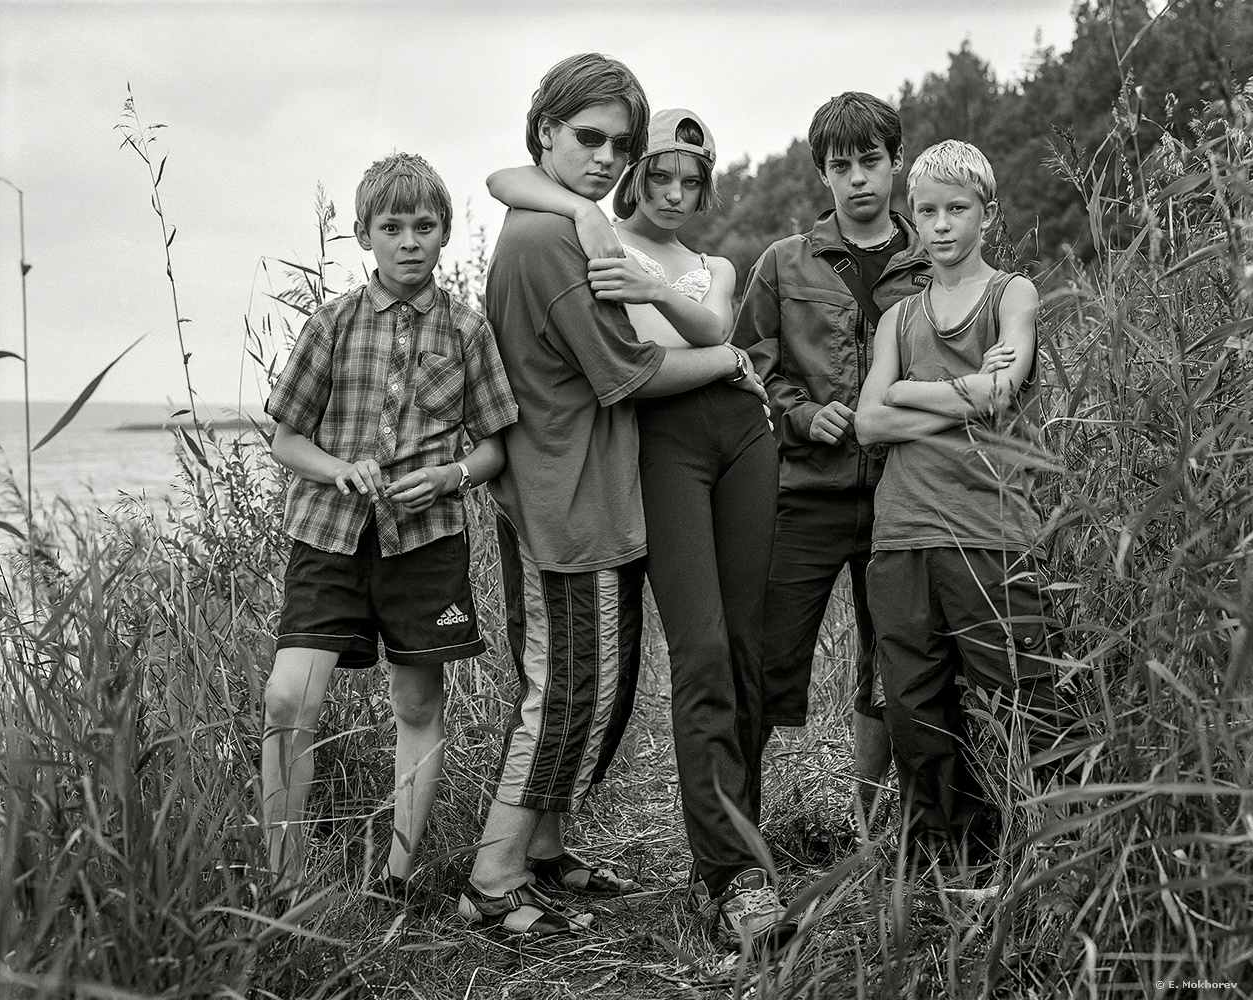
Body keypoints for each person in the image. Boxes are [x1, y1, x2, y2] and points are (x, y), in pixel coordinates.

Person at [460, 54, 769, 940]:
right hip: (570, 498)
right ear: (545, 132)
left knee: (595, 684)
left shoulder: (552, 219)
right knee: (565, 693)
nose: (604, 159)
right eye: (588, 139)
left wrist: (581, 208)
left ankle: (544, 850)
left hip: (585, 486)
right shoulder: (549, 240)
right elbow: (626, 372)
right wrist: (731, 358)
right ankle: (493, 877)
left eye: (618, 146)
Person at [261, 152, 518, 904]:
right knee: (287, 700)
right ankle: (282, 883)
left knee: (416, 704)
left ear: (444, 234)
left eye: (424, 227)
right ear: (363, 235)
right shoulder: (332, 323)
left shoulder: (468, 331)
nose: (409, 241)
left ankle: (395, 880)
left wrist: (449, 476)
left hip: (425, 544)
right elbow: (286, 440)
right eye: (392, 227)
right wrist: (339, 466)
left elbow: (495, 446)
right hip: (329, 537)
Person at [857, 139, 1067, 895]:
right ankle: (951, 868)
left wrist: (908, 393)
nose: (941, 225)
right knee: (916, 709)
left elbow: (1000, 392)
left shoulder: (1012, 294)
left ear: (987, 214)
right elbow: (867, 424)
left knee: (1024, 695)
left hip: (989, 528)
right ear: (911, 218)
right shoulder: (898, 316)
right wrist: (962, 395)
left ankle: (1052, 858)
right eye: (926, 211)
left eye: (956, 209)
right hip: (901, 531)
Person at [731, 93, 930, 833]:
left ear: (896, 161)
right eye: (841, 166)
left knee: (894, 667)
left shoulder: (931, 262)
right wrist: (802, 413)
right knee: (764, 660)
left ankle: (872, 831)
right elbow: (748, 366)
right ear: (822, 173)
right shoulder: (783, 264)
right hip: (803, 496)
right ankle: (737, 847)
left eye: (870, 161)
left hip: (904, 498)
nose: (858, 179)